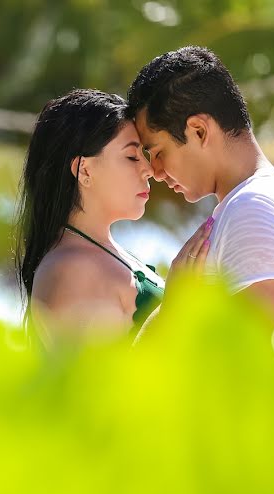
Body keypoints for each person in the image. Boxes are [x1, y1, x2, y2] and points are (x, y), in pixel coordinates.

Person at [127, 46, 274, 341]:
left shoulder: (254, 209)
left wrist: (174, 309)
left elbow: (251, 365)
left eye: (157, 152)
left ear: (199, 131)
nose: (155, 171)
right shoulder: (254, 203)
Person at [15, 89, 212, 346]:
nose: (148, 169)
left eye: (145, 155)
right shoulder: (72, 270)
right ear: (84, 169)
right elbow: (96, 384)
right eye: (132, 156)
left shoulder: (98, 254)